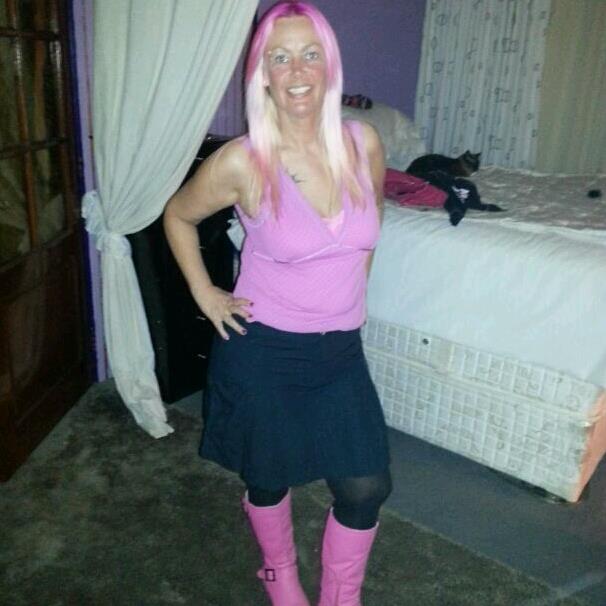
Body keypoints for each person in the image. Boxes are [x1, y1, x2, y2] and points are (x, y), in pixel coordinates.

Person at [163, 2, 391, 604]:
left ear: (330, 65)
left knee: (365, 486)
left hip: (340, 352)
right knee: (268, 476)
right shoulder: (243, 161)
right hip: (263, 349)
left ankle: (341, 597)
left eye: (310, 55)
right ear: (261, 73)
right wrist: (205, 292)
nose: (297, 71)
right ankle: (280, 573)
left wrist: (348, 298)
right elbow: (178, 215)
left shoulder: (364, 143)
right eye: (280, 57)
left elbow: (370, 226)